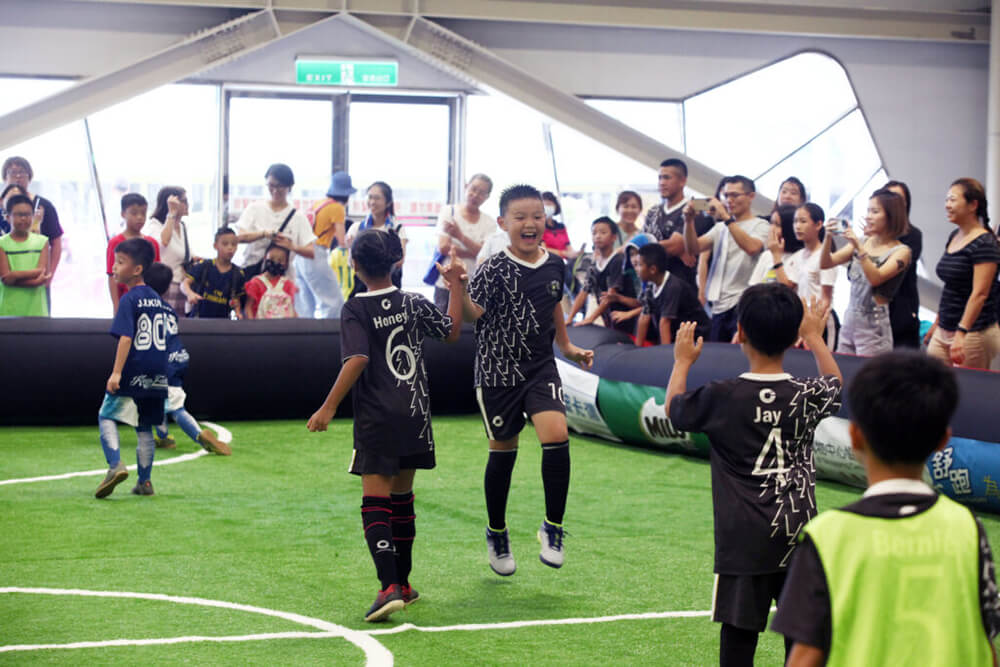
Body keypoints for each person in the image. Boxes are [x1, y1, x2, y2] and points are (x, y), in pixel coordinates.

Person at [772, 352, 1000, 666]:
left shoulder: (827, 536)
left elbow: (805, 657)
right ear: (943, 441)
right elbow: (986, 644)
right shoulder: (969, 529)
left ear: (855, 437)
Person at [666, 284, 843, 667]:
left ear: (741, 331)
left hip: (743, 542)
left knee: (739, 637)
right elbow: (836, 386)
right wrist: (815, 338)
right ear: (794, 335)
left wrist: (682, 361)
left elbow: (674, 410)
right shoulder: (805, 394)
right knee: (802, 639)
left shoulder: (722, 396)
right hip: (798, 533)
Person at [307, 229, 463, 622]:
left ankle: (388, 586)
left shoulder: (355, 308)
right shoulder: (412, 301)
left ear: (354, 265)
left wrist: (327, 407)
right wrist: (457, 288)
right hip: (415, 414)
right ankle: (404, 585)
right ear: (395, 262)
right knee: (402, 500)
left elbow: (357, 358)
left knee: (375, 502)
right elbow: (451, 331)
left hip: (377, 417)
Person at [449, 184, 593, 576]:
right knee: (504, 451)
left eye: (537, 216)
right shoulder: (493, 267)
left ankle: (553, 527)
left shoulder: (555, 264)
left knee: (556, 434)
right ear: (503, 223)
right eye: (520, 217)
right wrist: (460, 287)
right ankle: (496, 532)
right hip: (497, 371)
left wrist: (567, 345)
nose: (530, 223)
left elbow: (554, 305)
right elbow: (472, 315)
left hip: (540, 366)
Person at [94, 238, 172, 499]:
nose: (114, 267)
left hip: (134, 368)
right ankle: (145, 482)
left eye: (120, 262)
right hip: (158, 372)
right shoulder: (158, 300)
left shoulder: (129, 300)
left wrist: (116, 372)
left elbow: (126, 338)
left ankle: (115, 464)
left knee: (106, 415)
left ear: (137, 269)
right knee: (145, 426)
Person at [144, 262, 232, 456]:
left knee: (174, 407)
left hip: (163, 361)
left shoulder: (145, 309)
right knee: (158, 398)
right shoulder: (167, 309)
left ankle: (199, 435)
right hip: (179, 356)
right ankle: (164, 437)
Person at [821, 189, 911, 356]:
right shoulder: (863, 241)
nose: (868, 216)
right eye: (868, 211)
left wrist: (859, 248)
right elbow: (826, 263)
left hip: (874, 325)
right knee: (842, 368)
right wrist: (827, 238)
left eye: (875, 212)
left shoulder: (901, 251)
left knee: (870, 371)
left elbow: (876, 278)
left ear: (891, 216)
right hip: (850, 319)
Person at [683, 175, 771, 342]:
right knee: (717, 352)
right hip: (718, 304)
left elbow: (752, 247)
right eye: (726, 195)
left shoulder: (761, 225)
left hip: (743, 302)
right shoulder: (720, 227)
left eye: (735, 195)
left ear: (751, 196)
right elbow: (693, 248)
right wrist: (688, 222)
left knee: (739, 352)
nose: (729, 200)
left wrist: (726, 217)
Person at [924, 178, 1000, 368]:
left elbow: (980, 294)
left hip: (973, 333)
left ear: (973, 205)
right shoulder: (954, 236)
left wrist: (961, 332)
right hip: (945, 328)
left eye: (953, 199)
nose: (947, 205)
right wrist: (938, 322)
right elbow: (950, 287)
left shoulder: (985, 243)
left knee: (967, 384)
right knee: (932, 379)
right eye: (946, 200)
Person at [235, 163, 315, 285]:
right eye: (271, 185)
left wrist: (292, 246)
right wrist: (263, 234)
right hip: (252, 275)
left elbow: (311, 251)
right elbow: (239, 237)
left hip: (282, 282)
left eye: (280, 186)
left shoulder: (298, 217)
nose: (275, 190)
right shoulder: (254, 208)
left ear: (290, 186)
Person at [770, 203, 837, 345]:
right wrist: (776, 256)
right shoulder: (798, 256)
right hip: (801, 320)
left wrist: (813, 326)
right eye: (795, 221)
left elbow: (826, 299)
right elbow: (787, 286)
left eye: (803, 221)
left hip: (820, 321)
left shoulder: (825, 257)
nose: (797, 226)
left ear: (818, 224)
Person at [642, 158, 715, 287]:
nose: (662, 183)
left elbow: (675, 246)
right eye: (660, 178)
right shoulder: (653, 211)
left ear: (682, 181)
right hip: (654, 286)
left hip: (684, 285)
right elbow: (641, 245)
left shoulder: (696, 207)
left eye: (667, 178)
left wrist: (644, 248)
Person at [2, 157, 64, 307]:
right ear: (4, 177)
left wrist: (49, 275)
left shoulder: (44, 206)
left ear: (29, 177)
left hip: (38, 280)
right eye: (13, 173)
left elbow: (56, 242)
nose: (18, 177)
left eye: (22, 173)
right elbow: (6, 278)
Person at [433, 174, 495, 310]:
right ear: (466, 186)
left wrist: (459, 236)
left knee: (472, 322)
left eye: (481, 193)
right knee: (443, 322)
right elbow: (443, 247)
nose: (475, 195)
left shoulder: (489, 222)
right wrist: (474, 252)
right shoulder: (449, 211)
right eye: (473, 189)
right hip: (446, 283)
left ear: (487, 197)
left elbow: (485, 254)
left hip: (474, 285)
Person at [564, 217, 637, 332]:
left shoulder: (618, 260)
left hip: (625, 318)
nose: (597, 236)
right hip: (609, 319)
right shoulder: (594, 264)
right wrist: (570, 318)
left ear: (614, 237)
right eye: (594, 233)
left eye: (603, 232)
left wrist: (590, 319)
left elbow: (610, 296)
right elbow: (583, 293)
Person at [298, 171, 353, 319]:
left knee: (306, 305)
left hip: (300, 254)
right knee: (333, 302)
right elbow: (341, 240)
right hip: (315, 254)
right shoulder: (337, 208)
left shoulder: (319, 204)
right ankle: (330, 334)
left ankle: (305, 333)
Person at [634, 243, 710, 345]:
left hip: (697, 338)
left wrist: (666, 352)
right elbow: (644, 316)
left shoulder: (673, 287)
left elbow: (665, 323)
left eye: (639, 265)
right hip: (677, 337)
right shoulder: (650, 286)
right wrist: (637, 349)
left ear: (652, 269)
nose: (636, 269)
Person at [346, 181, 406, 294]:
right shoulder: (356, 228)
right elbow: (351, 263)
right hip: (362, 288)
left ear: (388, 202)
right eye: (370, 197)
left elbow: (399, 261)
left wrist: (361, 253)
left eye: (377, 198)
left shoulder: (396, 229)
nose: (372, 202)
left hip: (390, 287)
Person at [884, 180, 923, 348]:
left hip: (902, 313)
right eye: (889, 198)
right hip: (872, 315)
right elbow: (853, 274)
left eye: (899, 199)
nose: (895, 204)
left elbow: (888, 274)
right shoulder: (871, 237)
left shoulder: (913, 235)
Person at [106, 193, 160, 316]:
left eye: (143, 213)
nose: (140, 218)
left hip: (149, 302)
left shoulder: (152, 243)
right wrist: (116, 306)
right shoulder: (115, 242)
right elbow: (111, 276)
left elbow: (157, 276)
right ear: (123, 214)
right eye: (134, 213)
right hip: (126, 302)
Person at [0, 194, 50, 316]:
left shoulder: (42, 241)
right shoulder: (2, 243)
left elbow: (42, 272)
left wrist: (14, 275)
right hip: (8, 310)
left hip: (37, 310)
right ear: (8, 217)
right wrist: (35, 281)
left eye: (28, 214)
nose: (23, 218)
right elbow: (5, 279)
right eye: (18, 214)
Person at [145, 186, 193, 313]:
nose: (187, 204)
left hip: (181, 285)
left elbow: (187, 254)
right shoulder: (155, 225)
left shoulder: (182, 226)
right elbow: (164, 241)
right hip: (164, 285)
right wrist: (172, 213)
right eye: (184, 201)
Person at [181, 227, 246, 319]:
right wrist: (190, 293)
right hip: (198, 319)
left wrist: (238, 312)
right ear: (215, 246)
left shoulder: (238, 274)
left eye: (234, 244)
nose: (230, 248)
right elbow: (185, 283)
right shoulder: (204, 266)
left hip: (222, 322)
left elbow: (236, 300)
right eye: (225, 244)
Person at [749, 204, 803, 285]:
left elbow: (786, 287)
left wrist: (776, 256)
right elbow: (754, 285)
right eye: (771, 223)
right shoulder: (767, 255)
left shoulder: (799, 257)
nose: (772, 228)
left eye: (777, 225)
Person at [245, 244, 297, 319]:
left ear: (286, 263)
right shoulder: (256, 282)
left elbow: (291, 309)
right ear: (265, 258)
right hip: (261, 325)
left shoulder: (288, 284)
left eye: (280, 260)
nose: (275, 262)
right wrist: (251, 325)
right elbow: (248, 308)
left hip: (284, 325)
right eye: (272, 258)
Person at [540, 191, 577, 260]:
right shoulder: (539, 227)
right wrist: (563, 253)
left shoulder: (561, 226)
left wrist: (574, 253)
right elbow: (543, 249)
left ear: (555, 206)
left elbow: (568, 246)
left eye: (549, 204)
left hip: (565, 261)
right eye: (544, 205)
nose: (547, 207)